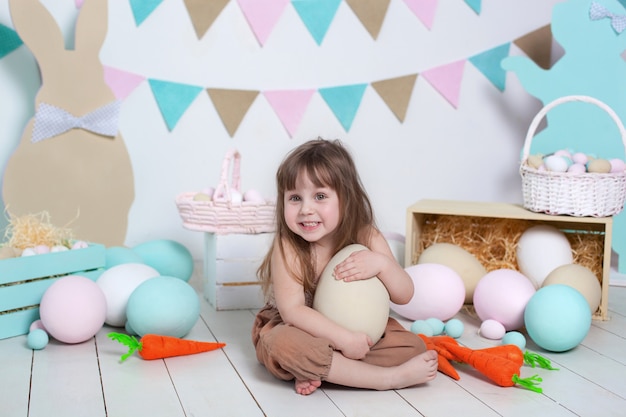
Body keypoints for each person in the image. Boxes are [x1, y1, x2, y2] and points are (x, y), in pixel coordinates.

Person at [251, 138, 438, 395]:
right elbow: (293, 311)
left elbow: (404, 294)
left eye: (319, 196)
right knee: (282, 344)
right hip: (303, 329)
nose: (306, 209)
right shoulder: (289, 248)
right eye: (295, 198)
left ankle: (320, 369)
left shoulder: (366, 235)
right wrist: (344, 340)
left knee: (412, 347)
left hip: (358, 333)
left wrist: (382, 265)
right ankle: (386, 378)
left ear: (346, 199)